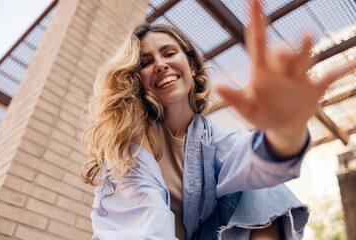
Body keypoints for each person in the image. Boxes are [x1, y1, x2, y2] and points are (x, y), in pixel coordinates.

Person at [81, 0, 355, 239]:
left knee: (254, 187)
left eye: (168, 53)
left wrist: (285, 128)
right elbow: (145, 231)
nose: (160, 64)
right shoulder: (126, 152)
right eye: (145, 62)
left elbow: (261, 159)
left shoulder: (212, 139)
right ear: (137, 81)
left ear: (192, 66)